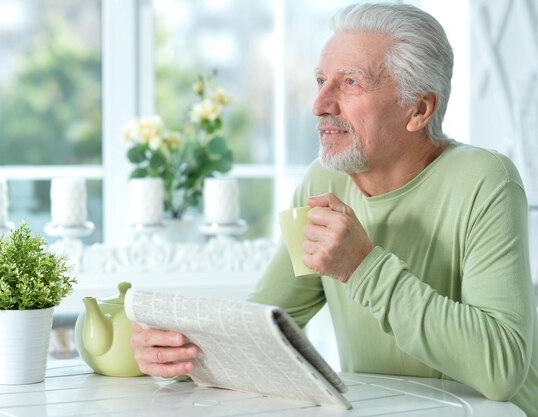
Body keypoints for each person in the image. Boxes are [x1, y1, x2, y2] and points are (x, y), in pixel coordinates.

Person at [130, 3, 538, 416]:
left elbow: (501, 369)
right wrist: (177, 356)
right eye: (321, 80)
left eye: (350, 82)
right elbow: (261, 329)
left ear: (419, 109)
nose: (320, 104)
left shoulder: (486, 179)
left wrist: (362, 267)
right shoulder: (322, 182)